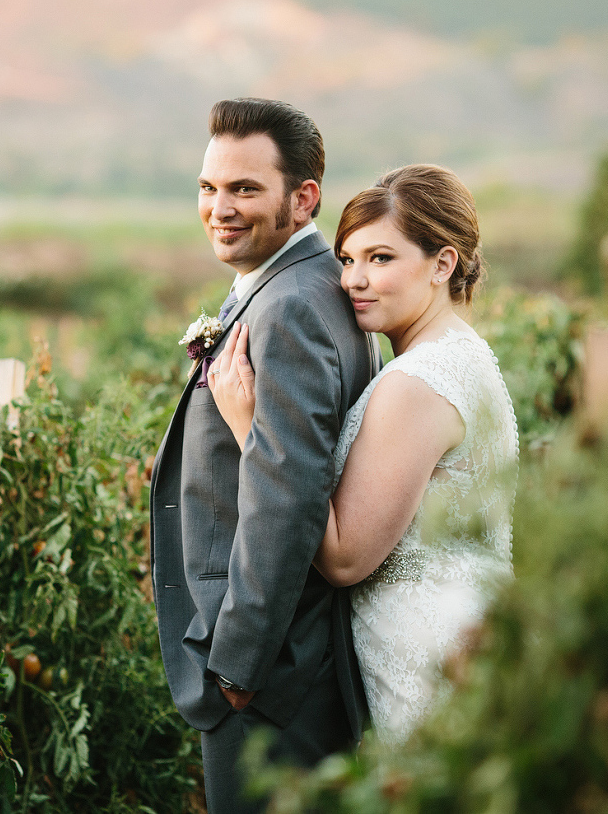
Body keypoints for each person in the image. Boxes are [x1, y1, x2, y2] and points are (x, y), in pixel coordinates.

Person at [208, 164, 519, 743]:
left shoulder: (419, 382)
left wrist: (252, 426)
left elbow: (346, 558)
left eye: (381, 259)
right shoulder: (460, 354)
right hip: (462, 634)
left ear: (442, 265)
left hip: (428, 660)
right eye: (348, 259)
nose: (353, 279)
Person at [149, 98, 381, 814]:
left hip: (268, 673)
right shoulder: (291, 287)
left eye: (244, 188)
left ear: (301, 197)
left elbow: (287, 491)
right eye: (207, 187)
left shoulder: (291, 307)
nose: (219, 206)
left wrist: (238, 666)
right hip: (274, 663)